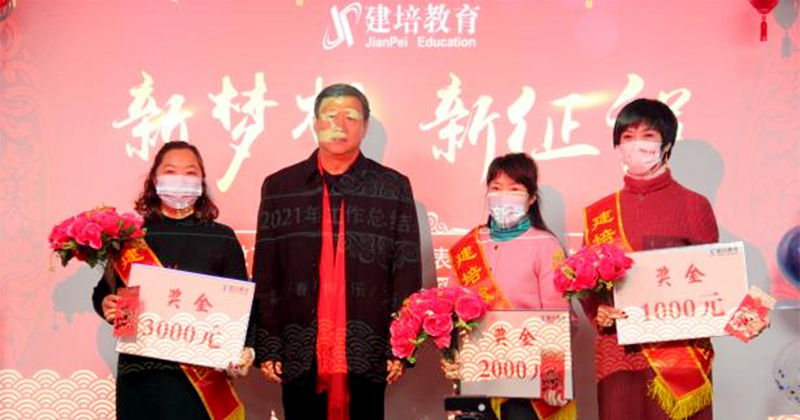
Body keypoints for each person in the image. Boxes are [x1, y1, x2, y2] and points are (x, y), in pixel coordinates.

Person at [253, 83, 422, 420]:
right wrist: (268, 344)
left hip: (369, 345)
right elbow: (267, 271)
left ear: (365, 126)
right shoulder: (280, 186)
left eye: (351, 117)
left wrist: (401, 347)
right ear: (315, 123)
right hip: (298, 345)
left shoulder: (392, 186)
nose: (340, 125)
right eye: (330, 116)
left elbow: (406, 271)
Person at [92, 141, 255, 420]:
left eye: (190, 172)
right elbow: (105, 293)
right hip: (141, 375)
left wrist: (244, 348)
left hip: (201, 381)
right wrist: (106, 303)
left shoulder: (221, 237)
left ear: (202, 181)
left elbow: (243, 304)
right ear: (154, 180)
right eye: (170, 171)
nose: (181, 178)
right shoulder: (131, 236)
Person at [582, 98, 719, 420]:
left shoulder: (693, 204)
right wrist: (598, 311)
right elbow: (587, 283)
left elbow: (712, 282)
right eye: (627, 137)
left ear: (666, 145)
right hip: (619, 352)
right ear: (618, 147)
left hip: (677, 354)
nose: (636, 145)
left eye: (648, 136)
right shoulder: (599, 214)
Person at [442, 153, 576, 420]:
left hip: (528, 382)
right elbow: (451, 311)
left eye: (515, 189)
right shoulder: (469, 248)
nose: (504, 197)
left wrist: (553, 377)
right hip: (478, 376)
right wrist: (450, 355)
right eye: (496, 188)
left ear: (532, 197)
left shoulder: (545, 244)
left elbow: (558, 315)